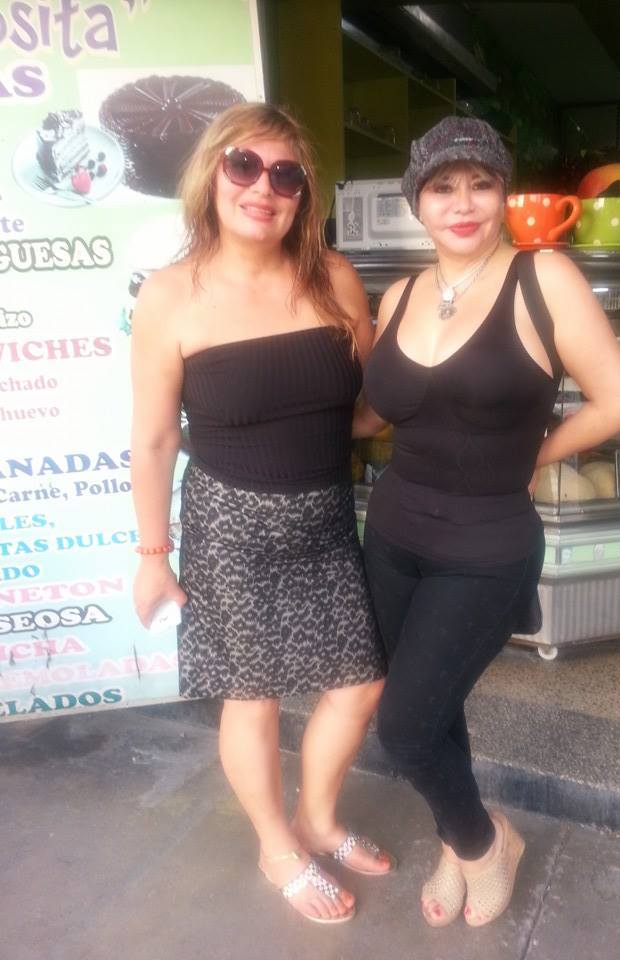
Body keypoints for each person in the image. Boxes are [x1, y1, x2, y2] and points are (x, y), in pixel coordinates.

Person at [354, 116, 620, 928]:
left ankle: (486, 844)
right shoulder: (400, 294)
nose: (462, 202)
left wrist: (535, 455)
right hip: (395, 534)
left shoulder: (542, 277)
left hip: (485, 547)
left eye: (480, 183)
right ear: (417, 202)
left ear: (503, 193)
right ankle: (456, 842)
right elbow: (376, 412)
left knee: (404, 727)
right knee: (435, 706)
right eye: (442, 187)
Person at [130, 102, 393, 926]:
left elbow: (367, 409)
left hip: (325, 520)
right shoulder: (170, 295)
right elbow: (153, 438)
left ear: (303, 193)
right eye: (244, 166)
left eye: (285, 175)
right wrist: (152, 554)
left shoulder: (334, 278)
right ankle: (278, 845)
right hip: (230, 526)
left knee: (361, 682)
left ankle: (317, 818)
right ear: (211, 175)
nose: (263, 188)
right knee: (254, 695)